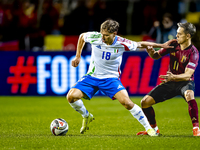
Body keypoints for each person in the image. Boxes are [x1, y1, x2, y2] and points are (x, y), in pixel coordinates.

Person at [66, 19, 174, 136]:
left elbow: (141, 44)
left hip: (110, 79)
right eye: (102, 34)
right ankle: (86, 116)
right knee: (71, 96)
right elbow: (82, 36)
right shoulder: (95, 37)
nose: (103, 38)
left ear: (114, 33)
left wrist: (161, 45)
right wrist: (78, 56)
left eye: (106, 35)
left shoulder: (122, 43)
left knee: (127, 103)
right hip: (92, 76)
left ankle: (149, 129)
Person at [137, 22, 200, 136]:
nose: (176, 36)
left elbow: (187, 75)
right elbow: (156, 56)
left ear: (188, 36)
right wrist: (151, 52)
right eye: (177, 33)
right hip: (171, 82)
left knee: (189, 95)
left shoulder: (193, 52)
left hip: (185, 82)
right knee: (145, 102)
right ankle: (154, 130)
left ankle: (196, 128)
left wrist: (173, 77)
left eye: (179, 34)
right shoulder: (173, 44)